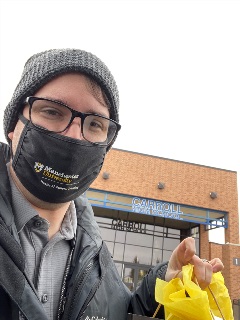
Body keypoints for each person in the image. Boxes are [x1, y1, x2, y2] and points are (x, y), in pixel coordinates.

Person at [0, 48, 223, 320]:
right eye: (52, 111)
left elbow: (116, 313)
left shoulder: (96, 259)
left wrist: (166, 285)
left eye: (94, 124)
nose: (75, 136)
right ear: (14, 127)